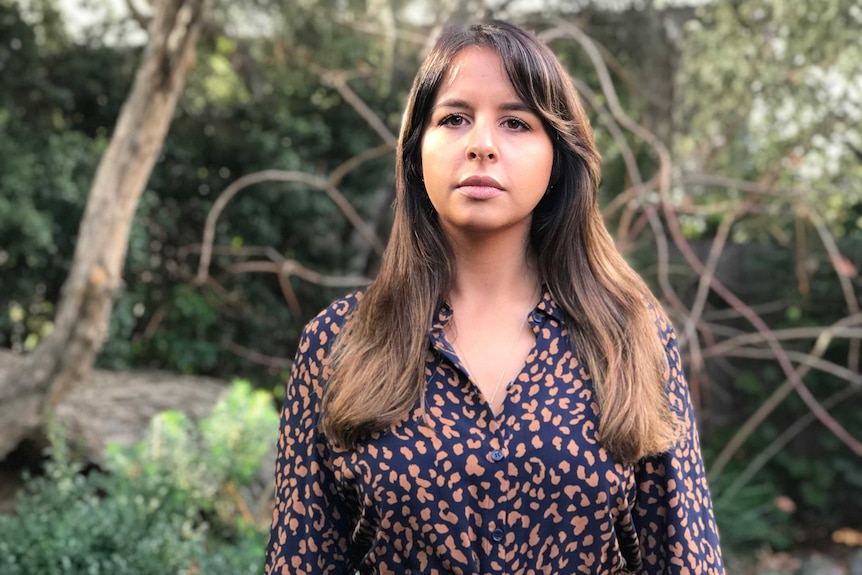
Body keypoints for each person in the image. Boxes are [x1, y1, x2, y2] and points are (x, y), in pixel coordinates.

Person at [266, 20, 724, 575]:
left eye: (516, 122)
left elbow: (685, 558)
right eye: (454, 118)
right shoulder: (338, 343)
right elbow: (299, 560)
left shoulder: (629, 336)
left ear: (557, 154)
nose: (482, 145)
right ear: (417, 150)